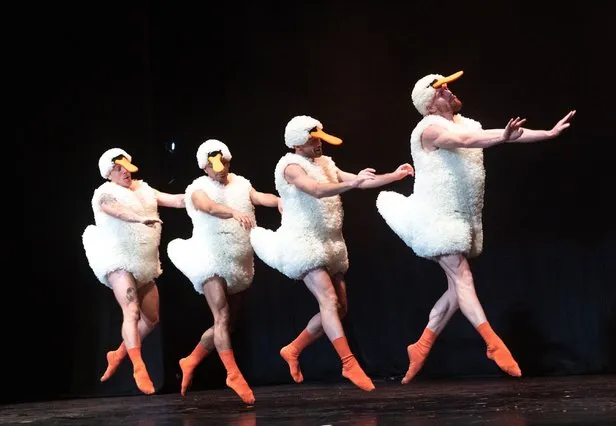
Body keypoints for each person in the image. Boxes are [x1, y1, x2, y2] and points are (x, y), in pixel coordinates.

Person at [376, 70, 576, 384]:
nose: (450, 92)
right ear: (430, 103)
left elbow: (498, 134)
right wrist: (503, 136)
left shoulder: (468, 123)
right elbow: (467, 142)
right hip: (434, 219)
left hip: (460, 219)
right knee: (463, 277)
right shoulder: (429, 128)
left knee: (457, 290)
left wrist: (547, 133)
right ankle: (492, 343)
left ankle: (422, 344)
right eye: (442, 90)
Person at [250, 115, 414, 391]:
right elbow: (314, 190)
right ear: (298, 143)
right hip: (303, 243)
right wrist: (352, 183)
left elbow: (359, 181)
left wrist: (393, 176)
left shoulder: (326, 163)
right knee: (327, 299)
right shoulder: (290, 166)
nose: (319, 144)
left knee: (339, 307)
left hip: (329, 243)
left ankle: (293, 348)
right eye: (314, 140)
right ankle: (349, 363)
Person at [167, 139, 281, 405]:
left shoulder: (241, 183)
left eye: (223, 163)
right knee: (222, 315)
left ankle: (191, 360)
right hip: (210, 258)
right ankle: (233, 374)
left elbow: (258, 196)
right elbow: (208, 207)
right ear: (205, 167)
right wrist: (233, 212)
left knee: (227, 324)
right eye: (214, 165)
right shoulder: (197, 188)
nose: (219, 169)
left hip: (237, 261)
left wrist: (279, 202)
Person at [82, 147, 185, 394]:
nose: (125, 172)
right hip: (118, 260)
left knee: (152, 319)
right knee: (132, 310)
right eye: (118, 169)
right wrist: (138, 219)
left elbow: (175, 199)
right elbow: (115, 210)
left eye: (126, 167)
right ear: (109, 173)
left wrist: (199, 198)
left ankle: (117, 355)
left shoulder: (144, 189)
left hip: (144, 262)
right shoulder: (104, 193)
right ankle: (138, 366)